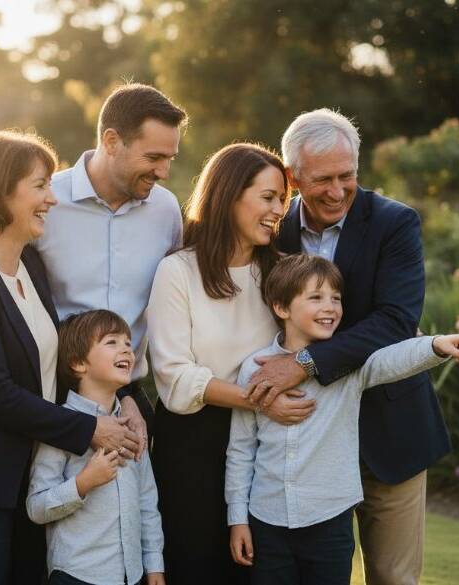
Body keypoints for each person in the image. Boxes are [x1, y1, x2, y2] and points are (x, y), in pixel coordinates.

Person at [0, 130, 138, 585]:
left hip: (23, 468)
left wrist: (121, 396)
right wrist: (91, 428)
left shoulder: (29, 262)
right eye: (40, 186)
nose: (51, 199)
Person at [246, 109, 459, 585]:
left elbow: (395, 322)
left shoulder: (395, 223)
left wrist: (303, 363)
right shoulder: (271, 230)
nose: (338, 190)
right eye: (323, 178)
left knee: (392, 577)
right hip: (301, 442)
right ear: (293, 177)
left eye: (348, 175)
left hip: (389, 432)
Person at [0, 83, 189, 447]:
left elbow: (177, 300)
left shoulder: (166, 210)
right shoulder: (42, 201)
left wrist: (127, 397)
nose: (164, 171)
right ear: (111, 141)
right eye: (154, 157)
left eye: (170, 158)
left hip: (127, 399)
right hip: (49, 397)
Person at [226, 254, 459, 585]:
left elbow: (392, 360)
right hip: (266, 521)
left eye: (336, 298)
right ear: (282, 307)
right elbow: (241, 450)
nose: (331, 307)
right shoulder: (254, 368)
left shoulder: (350, 367)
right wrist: (238, 519)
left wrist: (435, 345)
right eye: (316, 297)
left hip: (330, 522)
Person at [146, 143, 317, 585]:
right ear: (228, 195)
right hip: (191, 448)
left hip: (265, 448)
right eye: (267, 197)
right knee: (196, 567)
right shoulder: (177, 272)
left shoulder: (282, 274)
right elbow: (174, 376)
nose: (279, 210)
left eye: (282, 199)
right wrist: (259, 401)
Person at [27, 310, 165, 585]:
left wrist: (154, 566)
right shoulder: (62, 428)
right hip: (77, 575)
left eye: (128, 342)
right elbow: (36, 507)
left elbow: (148, 504)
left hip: (132, 576)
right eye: (112, 342)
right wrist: (84, 482)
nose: (126, 349)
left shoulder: (132, 427)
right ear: (78, 362)